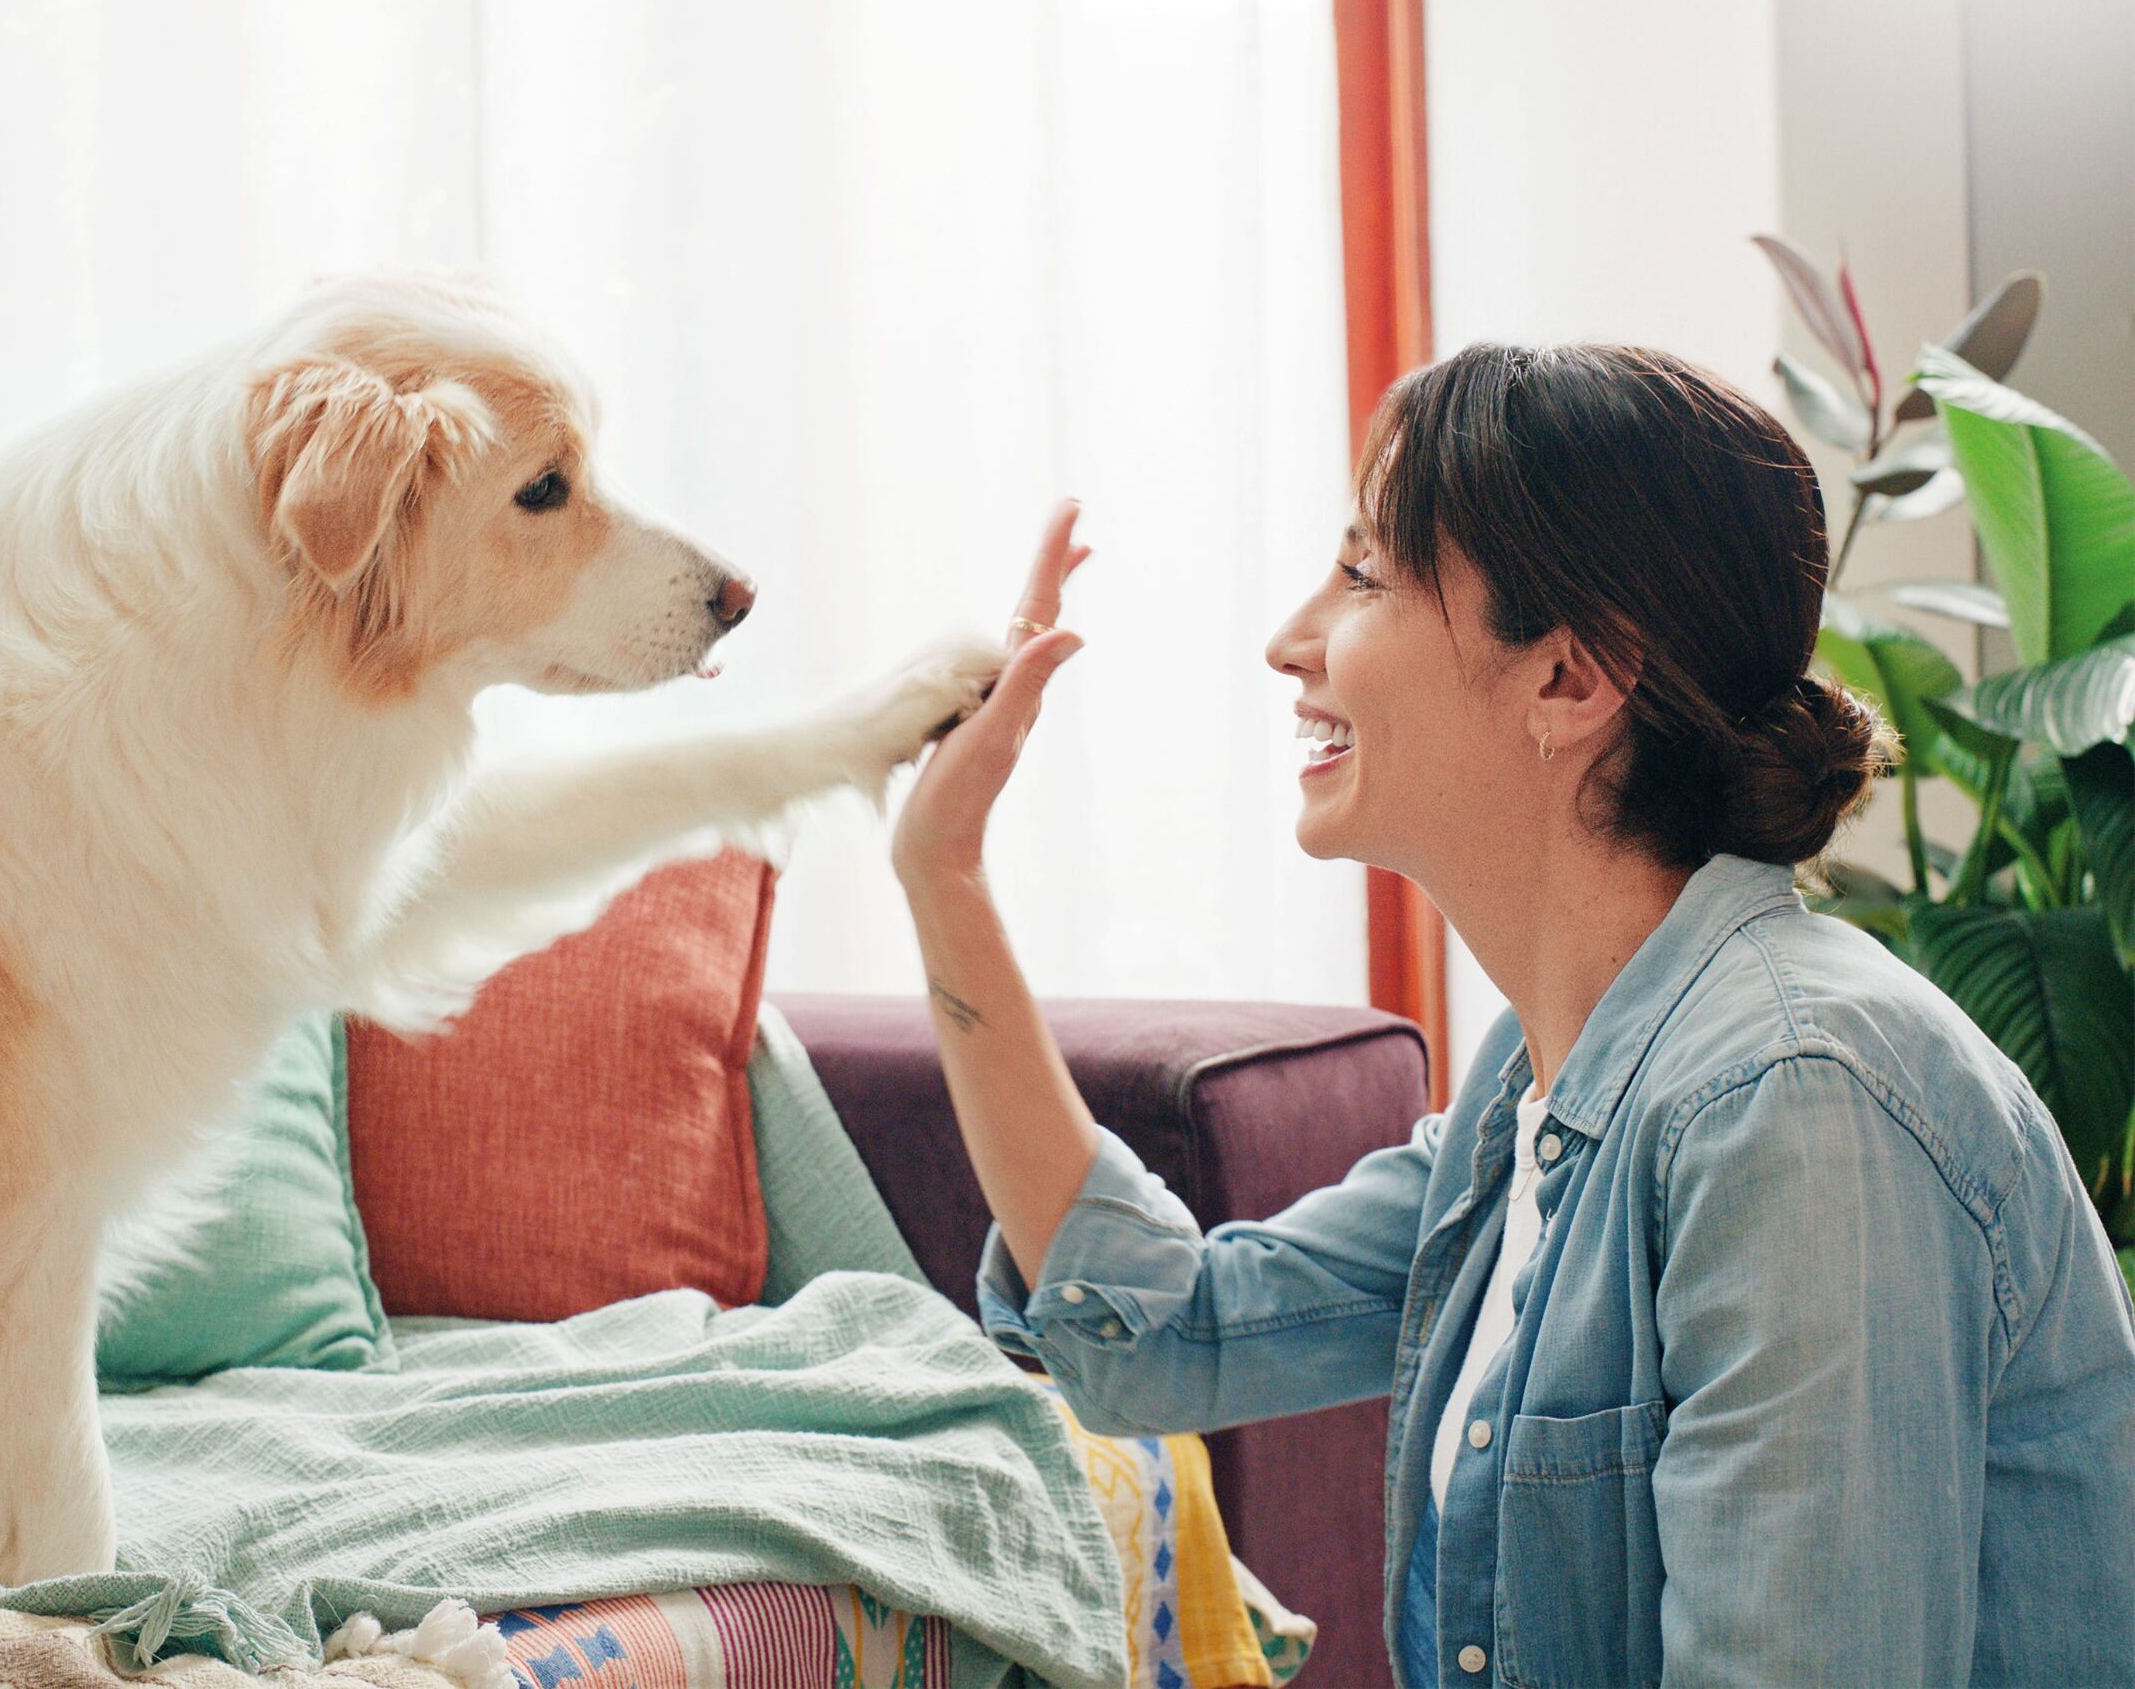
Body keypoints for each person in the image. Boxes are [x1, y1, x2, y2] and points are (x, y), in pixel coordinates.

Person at [890, 343, 2135, 1687]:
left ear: (1570, 681)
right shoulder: (1540, 1088)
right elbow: (1165, 1330)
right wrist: (942, 872)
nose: (1290, 639)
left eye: (1364, 575)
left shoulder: (1793, 1099)